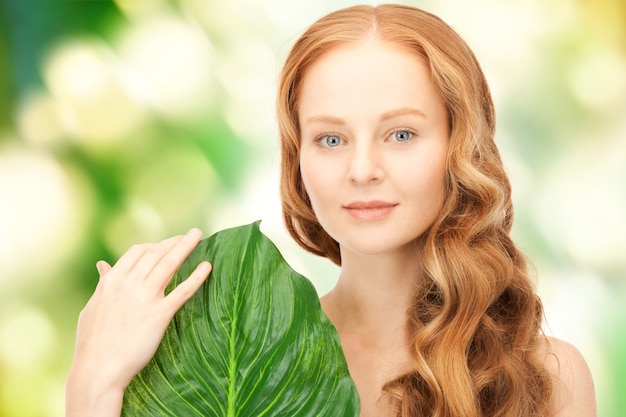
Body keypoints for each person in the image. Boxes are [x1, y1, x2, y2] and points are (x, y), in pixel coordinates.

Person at [65, 4, 597, 417]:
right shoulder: (233, 358)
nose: (362, 169)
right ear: (298, 159)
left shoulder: (545, 376)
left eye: (401, 133)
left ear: (461, 148)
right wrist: (93, 385)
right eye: (331, 139)